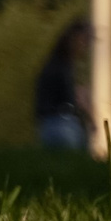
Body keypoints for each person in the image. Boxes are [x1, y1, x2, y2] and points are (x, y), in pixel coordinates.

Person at [34, 20, 91, 151]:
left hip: (48, 124)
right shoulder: (62, 67)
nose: (84, 47)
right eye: (84, 41)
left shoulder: (55, 64)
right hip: (61, 124)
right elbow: (72, 97)